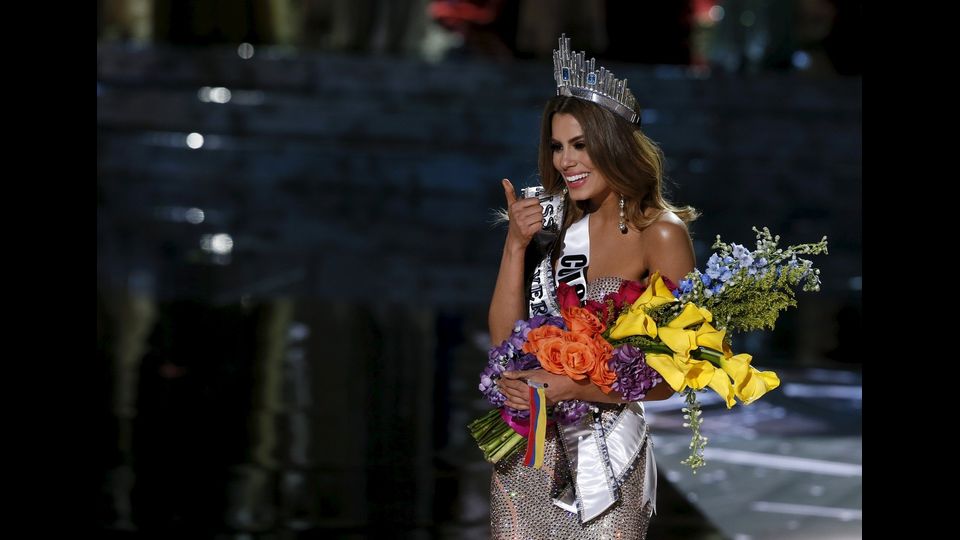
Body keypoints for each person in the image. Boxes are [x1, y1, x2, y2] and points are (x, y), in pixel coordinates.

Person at [487, 34, 698, 539]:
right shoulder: (550, 226)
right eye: (557, 147)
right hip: (526, 451)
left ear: (614, 144)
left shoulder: (659, 233)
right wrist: (515, 245)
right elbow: (502, 344)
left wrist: (572, 386)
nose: (566, 161)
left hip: (608, 462)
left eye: (580, 145)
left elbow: (681, 372)